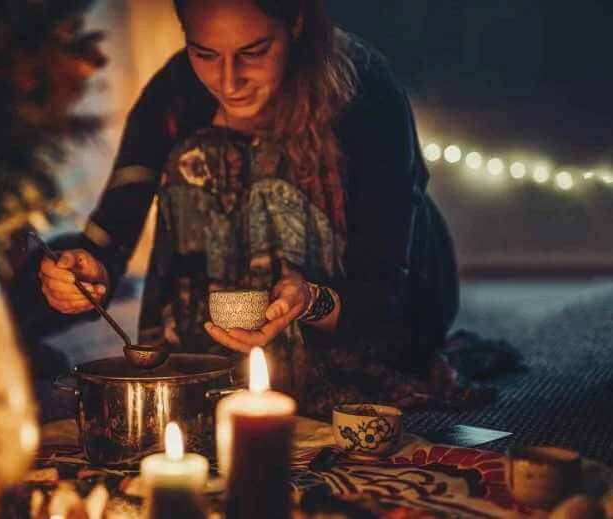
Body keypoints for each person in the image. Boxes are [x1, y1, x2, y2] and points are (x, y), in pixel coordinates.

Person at [38, 0, 492, 417]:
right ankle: (216, 364)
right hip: (217, 323)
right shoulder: (175, 91)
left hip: (378, 308)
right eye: (205, 53)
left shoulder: (365, 90)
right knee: (196, 155)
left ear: (295, 24)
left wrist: (309, 300)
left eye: (253, 52)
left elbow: (384, 289)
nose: (228, 82)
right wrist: (88, 271)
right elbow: (111, 231)